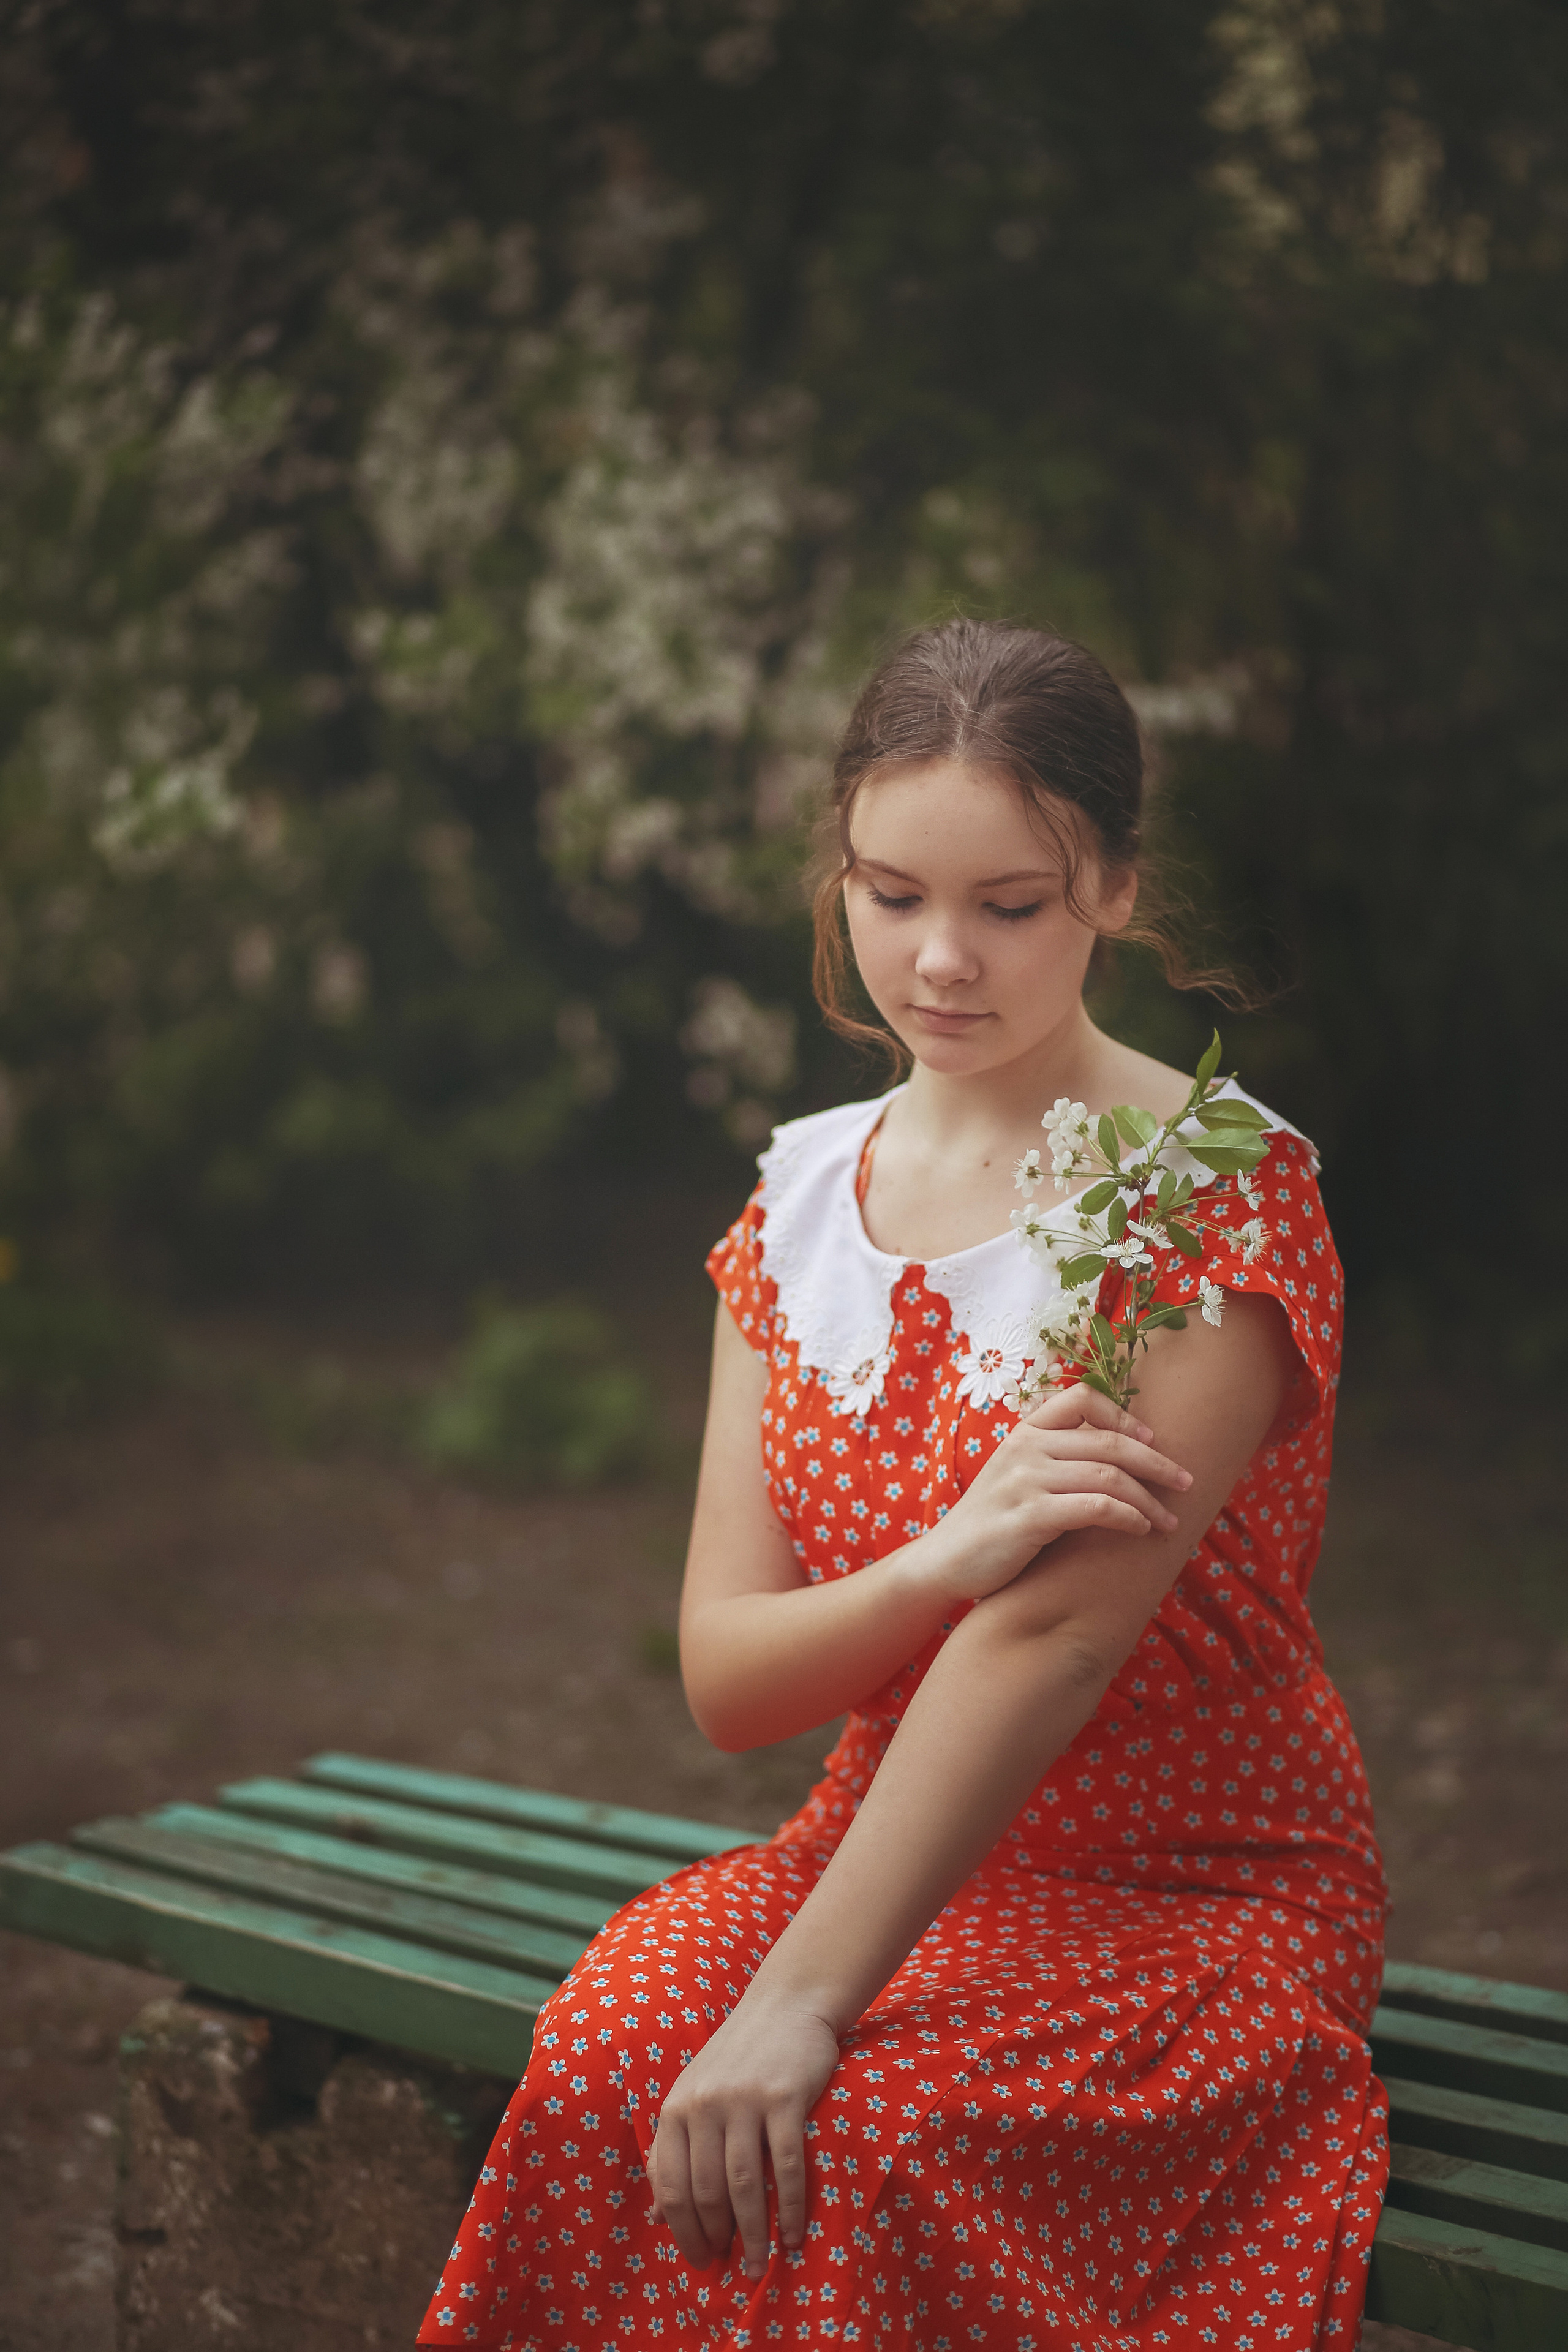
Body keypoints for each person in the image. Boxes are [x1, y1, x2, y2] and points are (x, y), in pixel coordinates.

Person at [418, 619, 1387, 2351]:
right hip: (870, 1839)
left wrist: (801, 2002)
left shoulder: (1210, 1194)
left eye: (1008, 904)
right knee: (600, 2064)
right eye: (889, 894)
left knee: (870, 2132)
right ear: (838, 880)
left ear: (1113, 886)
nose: (938, 959)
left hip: (1184, 1881)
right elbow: (729, 1676)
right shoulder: (798, 1202)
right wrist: (943, 1559)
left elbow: (1056, 1649)